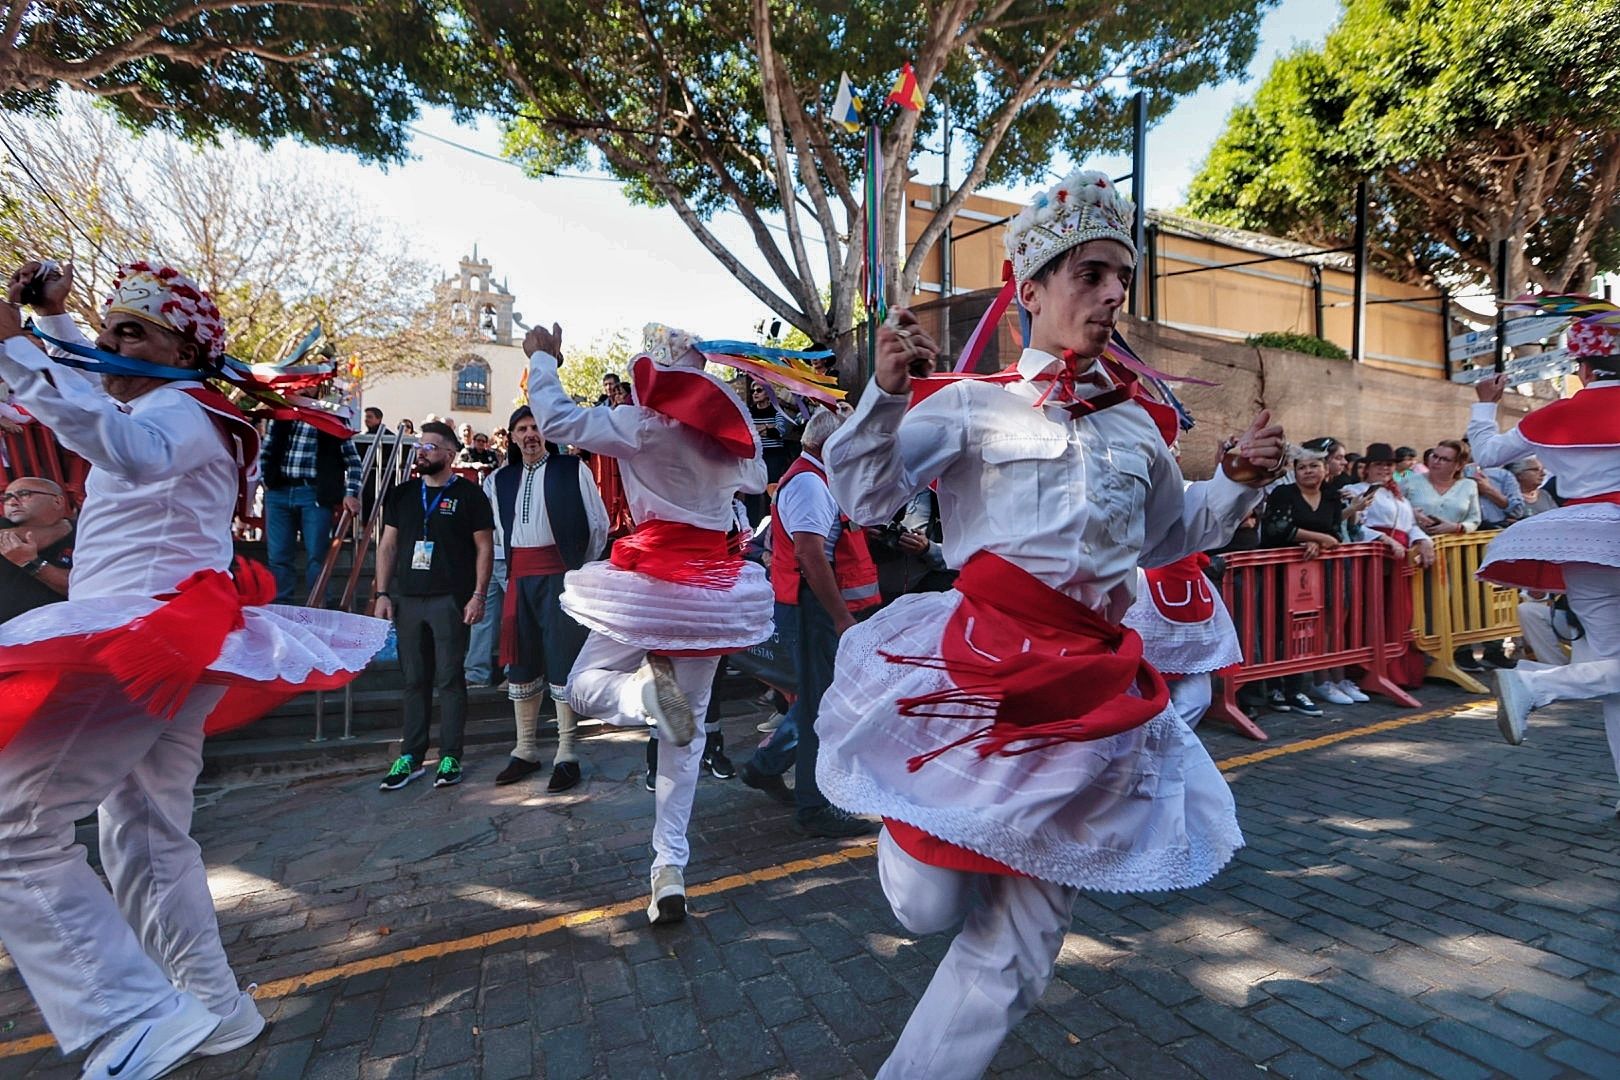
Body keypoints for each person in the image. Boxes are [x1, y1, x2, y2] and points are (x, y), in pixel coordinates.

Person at [816, 169, 1285, 1078]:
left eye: (1122, 277)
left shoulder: (1140, 429)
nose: (1113, 293)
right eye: (1090, 273)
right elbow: (867, 494)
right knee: (926, 908)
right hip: (976, 670)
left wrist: (1235, 479)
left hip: (1085, 696)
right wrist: (881, 394)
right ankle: (908, 827)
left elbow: (1167, 538)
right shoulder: (965, 403)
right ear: (1028, 290)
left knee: (1020, 950)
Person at [0, 258, 385, 1078]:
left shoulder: (183, 412)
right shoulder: (167, 399)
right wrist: (55, 326)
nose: (110, 344)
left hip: (140, 645)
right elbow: (101, 393)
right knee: (142, 832)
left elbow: (123, 445)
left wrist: (16, 348)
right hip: (160, 642)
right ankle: (212, 1007)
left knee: (15, 829)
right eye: (107, 330)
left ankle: (135, 1015)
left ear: (180, 352)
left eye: (131, 331)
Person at [524, 321, 772, 925]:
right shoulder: (731, 447)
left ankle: (639, 696)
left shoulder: (641, 427)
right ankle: (669, 868)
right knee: (682, 740)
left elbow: (556, 420)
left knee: (583, 684)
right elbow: (759, 480)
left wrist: (542, 359)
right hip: (713, 585)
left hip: (655, 577)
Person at [1470, 304, 1620, 816]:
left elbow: (1486, 453)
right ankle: (1535, 683)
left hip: (1583, 541)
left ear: (1583, 367)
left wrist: (1485, 405)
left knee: (1608, 666)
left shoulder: (1555, 413)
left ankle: (1535, 684)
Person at [739, 407, 881, 838]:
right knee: (822, 705)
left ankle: (767, 766)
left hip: (815, 608)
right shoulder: (810, 483)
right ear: (831, 445)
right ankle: (812, 805)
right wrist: (841, 618)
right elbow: (809, 555)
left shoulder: (817, 480)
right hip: (812, 610)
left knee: (820, 699)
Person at [485, 405, 606, 792]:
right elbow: (497, 535)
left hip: (560, 575)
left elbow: (598, 523)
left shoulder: (572, 469)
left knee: (562, 660)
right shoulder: (498, 480)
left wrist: (577, 571)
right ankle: (525, 750)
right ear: (512, 436)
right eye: (521, 428)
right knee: (522, 662)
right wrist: (506, 577)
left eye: (536, 427)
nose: (530, 434)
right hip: (519, 578)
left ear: (547, 433)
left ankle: (566, 753)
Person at [374, 421, 495, 791]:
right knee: (414, 679)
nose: (421, 452)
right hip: (409, 599)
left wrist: (478, 595)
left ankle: (450, 755)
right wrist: (381, 593)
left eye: (430, 446)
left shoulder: (470, 495)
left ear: (449, 454)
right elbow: (388, 545)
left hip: (450, 599)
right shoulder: (402, 494)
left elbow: (484, 547)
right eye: (419, 446)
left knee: (449, 679)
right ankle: (411, 755)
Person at [1259, 444, 1373, 710]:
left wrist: (1318, 545)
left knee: (1303, 631)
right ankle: (1275, 688)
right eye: (1302, 467)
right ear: (1294, 472)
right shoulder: (1283, 493)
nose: (1308, 471)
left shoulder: (1332, 496)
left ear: (1324, 469)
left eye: (1314, 466)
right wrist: (1316, 538)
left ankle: (1295, 689)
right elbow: (1277, 527)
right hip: (1278, 573)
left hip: (1310, 575)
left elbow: (1334, 531)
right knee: (1277, 630)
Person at [1122, 555, 1241, 729]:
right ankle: (1149, 745)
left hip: (1192, 602)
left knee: (1198, 700)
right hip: (1146, 594)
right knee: (1142, 695)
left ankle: (1163, 744)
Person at [259, 414, 363, 605]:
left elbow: (354, 461)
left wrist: (350, 492)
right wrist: (265, 480)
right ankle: (281, 607)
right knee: (278, 556)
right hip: (279, 490)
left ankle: (318, 605)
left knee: (317, 554)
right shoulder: (282, 416)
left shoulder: (332, 418)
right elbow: (265, 452)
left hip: (314, 492)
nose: (305, 388)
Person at [1, 476, 73, 624]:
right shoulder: (3, 524)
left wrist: (31, 563)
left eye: (24, 494)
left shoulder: (84, 532)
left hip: (61, 631)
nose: (12, 502)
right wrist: (58, 530)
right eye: (6, 498)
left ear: (57, 501)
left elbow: (81, 585)